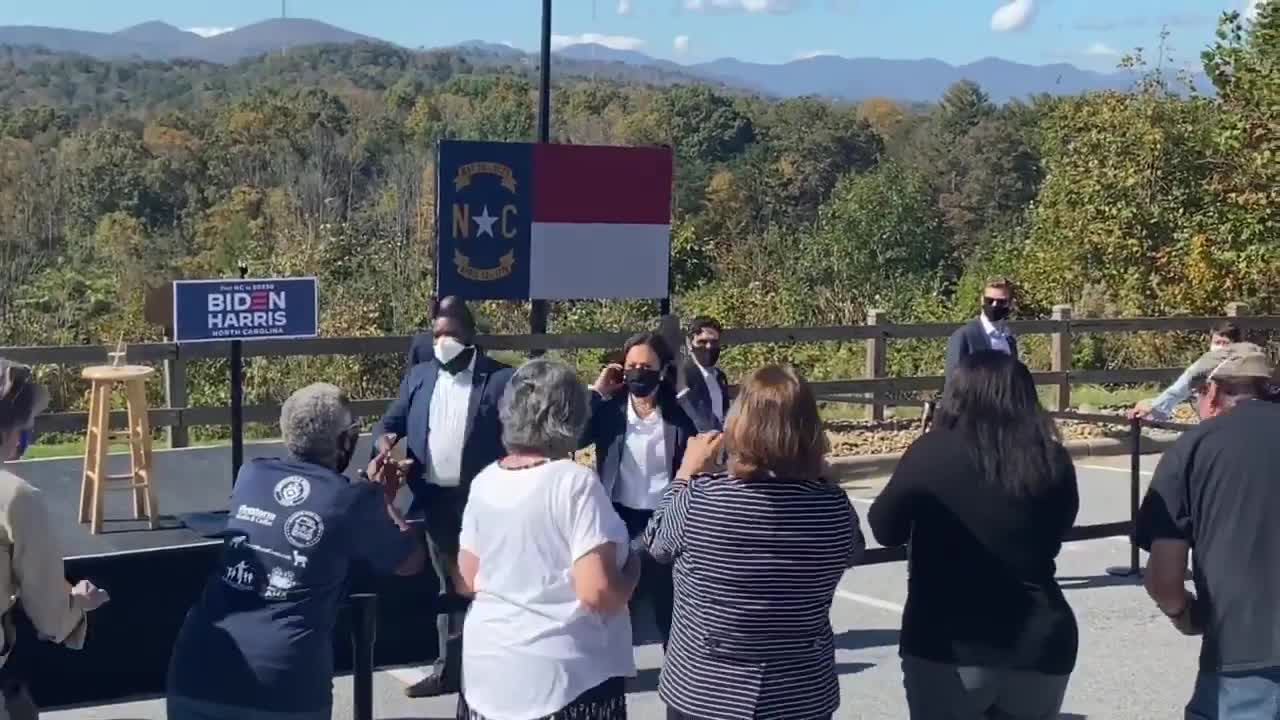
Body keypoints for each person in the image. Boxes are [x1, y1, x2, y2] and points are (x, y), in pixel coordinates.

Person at [167, 383, 424, 720]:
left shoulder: (251, 475)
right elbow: (409, 560)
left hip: (199, 669)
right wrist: (384, 497)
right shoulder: (351, 501)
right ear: (344, 441)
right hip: (284, 684)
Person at [645, 364, 865, 720]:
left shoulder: (701, 499)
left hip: (706, 690)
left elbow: (657, 542)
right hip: (799, 693)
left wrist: (686, 473)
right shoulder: (833, 508)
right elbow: (851, 550)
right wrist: (820, 478)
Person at [870, 351, 1079, 720]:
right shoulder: (1052, 458)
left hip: (951, 642)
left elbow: (884, 527)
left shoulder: (932, 451)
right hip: (1043, 641)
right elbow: (1058, 531)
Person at [455, 359, 640, 720]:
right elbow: (598, 592)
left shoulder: (485, 481)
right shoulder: (574, 483)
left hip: (488, 670)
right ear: (570, 416)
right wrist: (633, 566)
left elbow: (467, 579)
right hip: (564, 679)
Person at [373, 297, 514, 698]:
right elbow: (390, 422)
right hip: (435, 498)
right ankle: (448, 669)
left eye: (450, 332)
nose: (443, 340)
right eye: (437, 334)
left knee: (491, 586)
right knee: (448, 589)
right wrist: (385, 444)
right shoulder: (419, 376)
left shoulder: (500, 379)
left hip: (485, 500)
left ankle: (497, 669)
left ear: (469, 334)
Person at [1134, 342, 1280, 719]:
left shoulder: (1192, 448)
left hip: (1241, 656)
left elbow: (1163, 577)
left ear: (1212, 391)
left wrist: (1185, 613)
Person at [0, 359, 110, 720]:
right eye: (25, 430)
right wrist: (78, 605)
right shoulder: (17, 498)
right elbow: (51, 617)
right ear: (10, 433)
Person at [583, 331, 700, 648]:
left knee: (671, 610)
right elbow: (570, 434)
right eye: (631, 365)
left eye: (647, 366)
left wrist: (683, 393)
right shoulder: (611, 412)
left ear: (663, 370)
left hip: (668, 520)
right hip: (621, 520)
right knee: (618, 612)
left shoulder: (677, 414)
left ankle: (678, 675)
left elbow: (711, 435)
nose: (638, 372)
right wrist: (596, 391)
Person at [1128, 322, 1242, 421]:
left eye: (1225, 343)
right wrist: (1152, 406)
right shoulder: (1203, 366)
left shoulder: (1246, 364)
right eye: (1217, 343)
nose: (1221, 347)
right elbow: (1179, 389)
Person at [943, 278, 1019, 387]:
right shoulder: (964, 337)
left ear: (1010, 303)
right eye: (989, 300)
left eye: (1001, 302)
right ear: (982, 300)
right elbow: (952, 383)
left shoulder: (1008, 338)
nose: (994, 305)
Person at [676, 316, 728, 433]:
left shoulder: (720, 377)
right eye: (702, 342)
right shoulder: (682, 377)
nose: (709, 347)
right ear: (689, 343)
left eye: (714, 342)